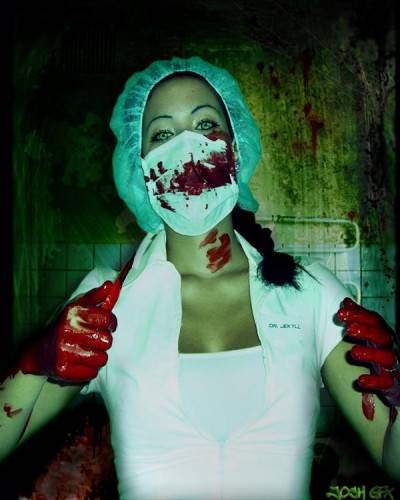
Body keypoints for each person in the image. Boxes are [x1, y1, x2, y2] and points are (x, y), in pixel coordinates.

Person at [1, 56, 399, 500]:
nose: (186, 146)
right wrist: (34, 361)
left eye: (205, 125)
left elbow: (392, 453)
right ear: (139, 167)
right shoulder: (105, 303)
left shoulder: (313, 294)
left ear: (236, 149)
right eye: (163, 134)